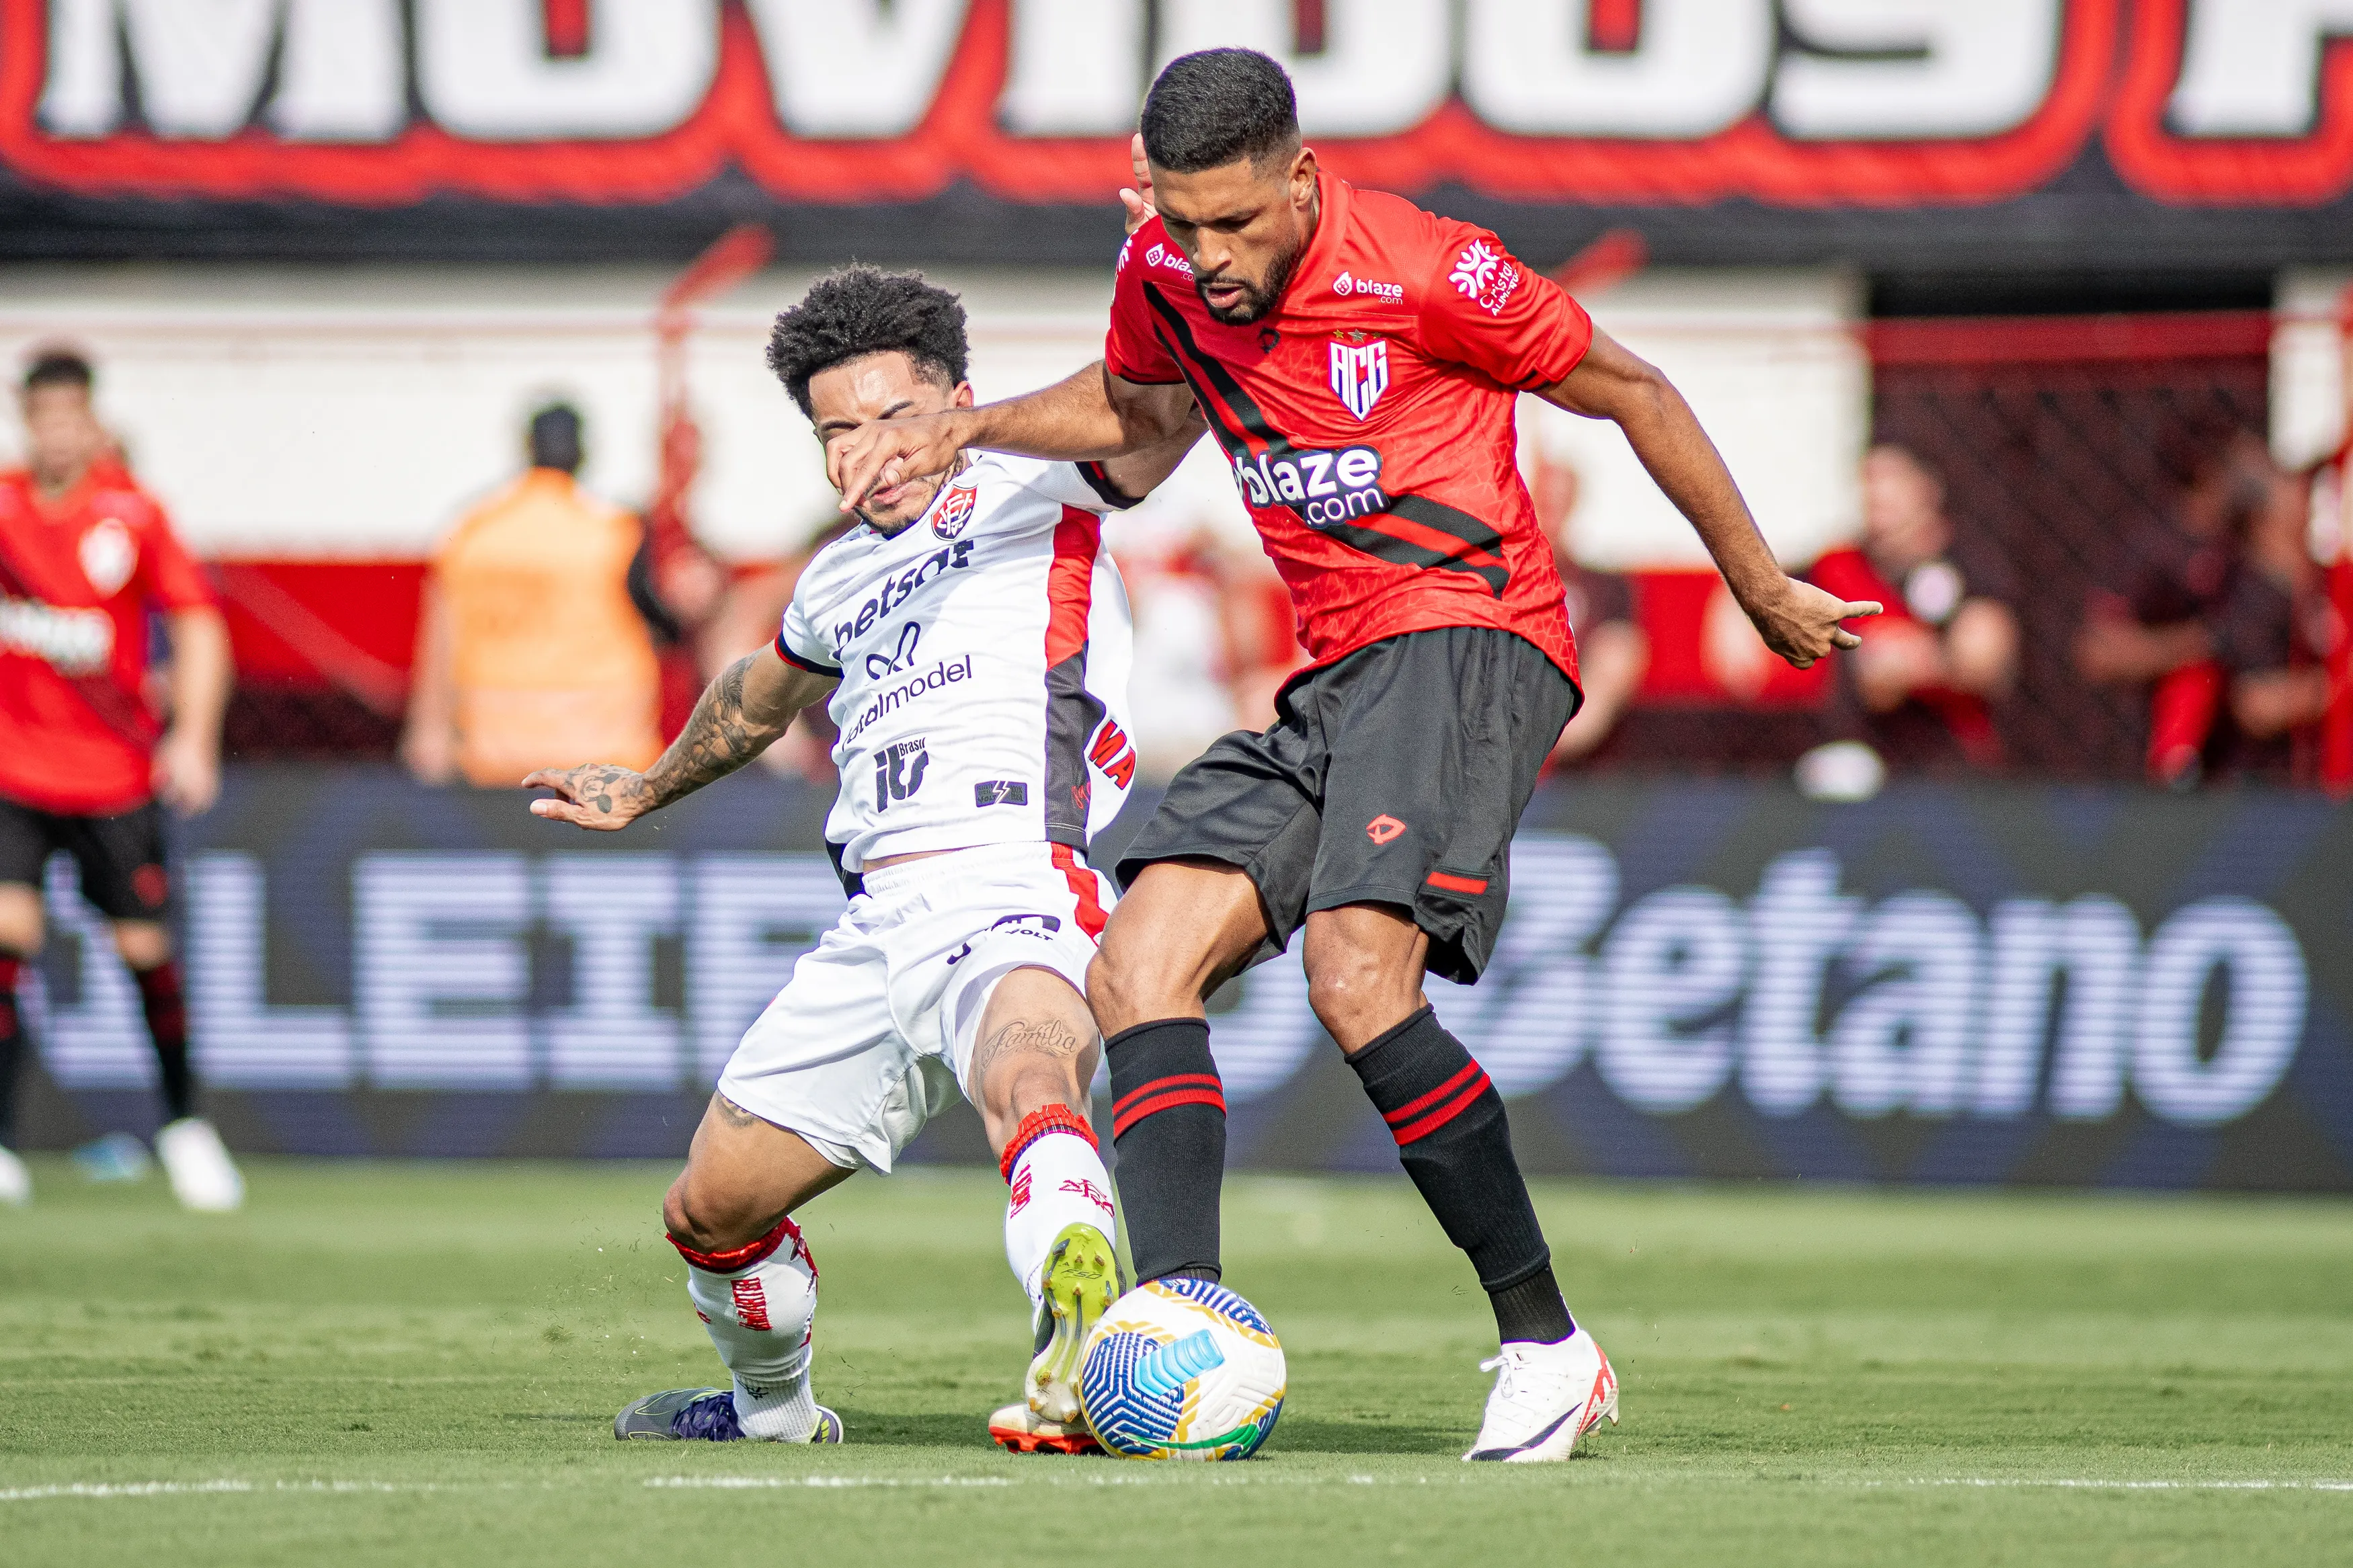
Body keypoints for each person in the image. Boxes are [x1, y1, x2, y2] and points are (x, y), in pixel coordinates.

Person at [828, 50, 1874, 1462]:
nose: (1208, 256)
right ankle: (1163, 1331)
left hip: (1468, 635)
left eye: (1235, 224)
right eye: (1182, 223)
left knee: (1355, 970)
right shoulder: (1166, 272)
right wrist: (975, 423)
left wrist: (1754, 578)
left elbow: (1632, 387)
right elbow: (1139, 427)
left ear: (1301, 176)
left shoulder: (1434, 271)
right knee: (1137, 956)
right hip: (1335, 675)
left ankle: (1547, 1347)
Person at [524, 266, 1201, 1451]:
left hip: (1016, 877)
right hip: (875, 922)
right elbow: (757, 697)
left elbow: (1159, 407)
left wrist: (1172, 261)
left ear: (957, 401)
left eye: (895, 415)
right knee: (712, 1204)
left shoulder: (1036, 482)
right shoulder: (836, 574)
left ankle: (1082, 1317)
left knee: (1029, 1073)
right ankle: (774, 1412)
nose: (865, 451)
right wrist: (645, 785)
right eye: (839, 429)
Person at [0, 348, 239, 1211]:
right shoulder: (4, 506)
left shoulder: (130, 514)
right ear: (27, 419)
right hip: (14, 767)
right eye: (43, 415)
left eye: (72, 415)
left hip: (113, 775)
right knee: (7, 935)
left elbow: (200, 624)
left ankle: (185, 1127)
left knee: (143, 952)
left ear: (91, 420)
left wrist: (195, 738)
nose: (57, 431)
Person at [400, 403, 664, 788]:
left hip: (495, 753)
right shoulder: (618, 531)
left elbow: (441, 641)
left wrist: (428, 732)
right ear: (584, 453)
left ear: (526, 447)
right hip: (603, 753)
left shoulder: (473, 531)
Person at [1804, 444, 2018, 777]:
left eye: (1893, 479)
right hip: (1853, 757)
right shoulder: (1840, 564)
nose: (1877, 493)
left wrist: (1907, 661)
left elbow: (1984, 660)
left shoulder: (1969, 563)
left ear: (1928, 488)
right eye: (1869, 480)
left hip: (1946, 761)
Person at [1530, 448, 1647, 764]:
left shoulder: (1605, 584)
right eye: (1543, 497)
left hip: (1575, 727)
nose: (1551, 508)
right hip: (1506, 705)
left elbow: (1620, 655)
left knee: (1619, 649)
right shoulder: (1496, 575)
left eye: (1560, 498)